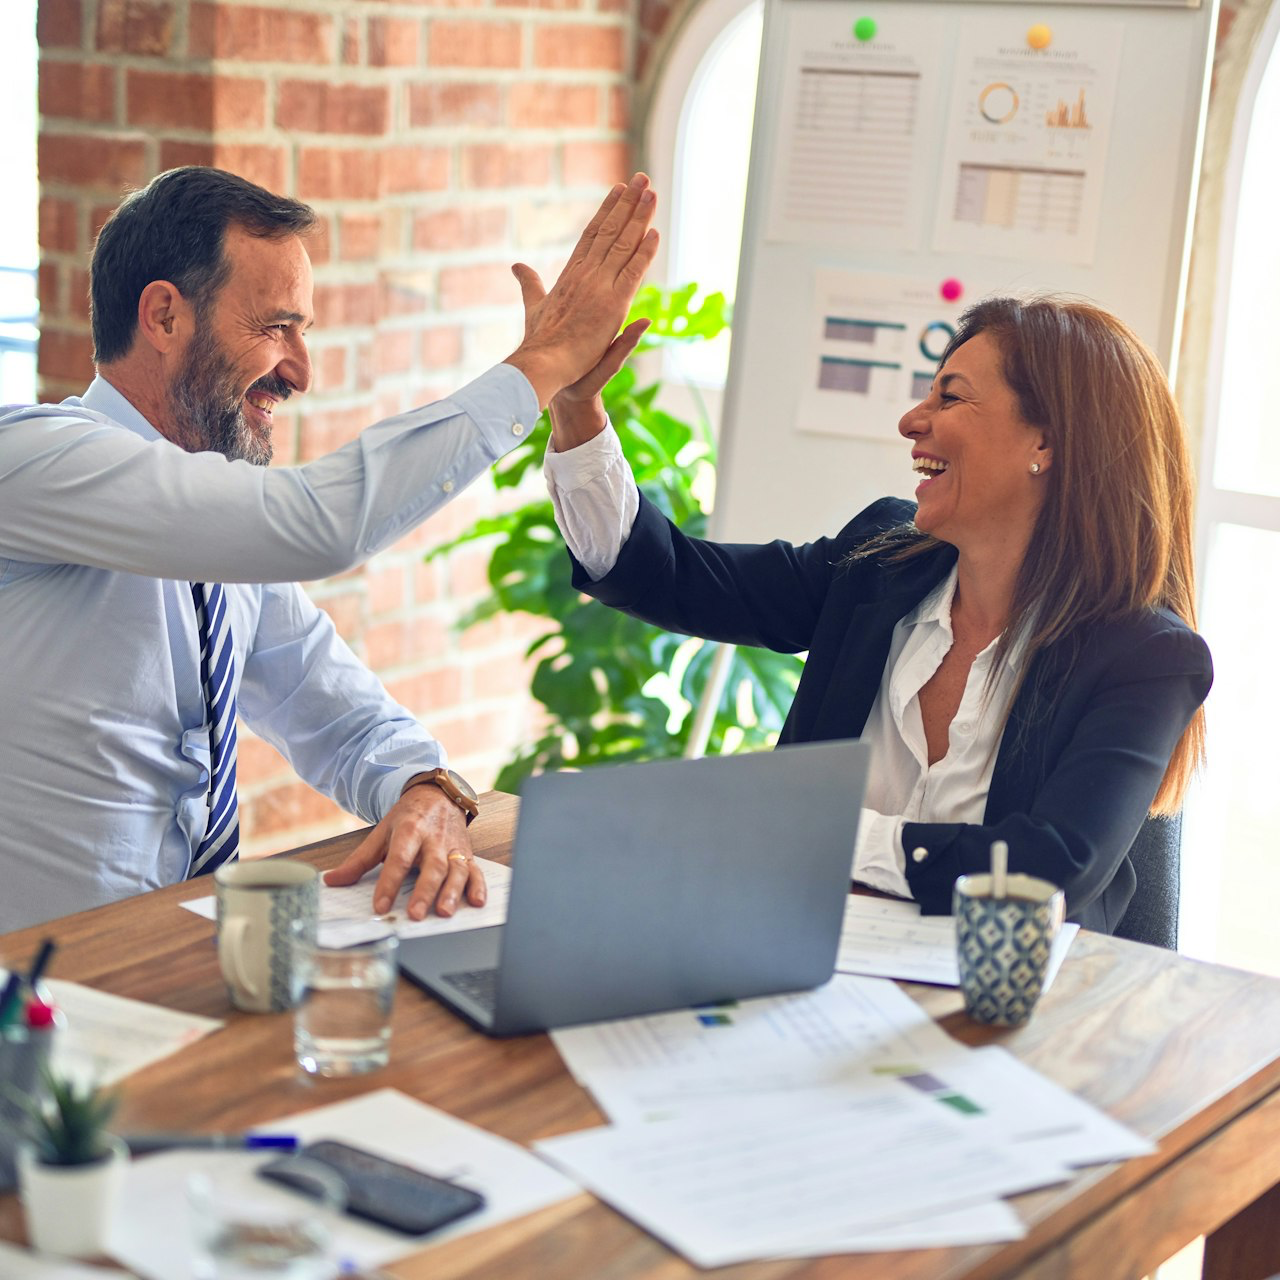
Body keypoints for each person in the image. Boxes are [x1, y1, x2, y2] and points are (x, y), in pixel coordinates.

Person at [0, 165, 658, 933]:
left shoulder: (221, 532)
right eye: (276, 326)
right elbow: (319, 522)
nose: (301, 371)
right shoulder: (34, 461)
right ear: (164, 316)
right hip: (39, 998)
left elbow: (343, 717)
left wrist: (423, 786)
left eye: (302, 331)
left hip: (180, 963)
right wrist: (541, 365)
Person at [542, 295, 1212, 933]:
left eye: (950, 396)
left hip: (1011, 1018)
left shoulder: (1146, 657)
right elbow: (672, 577)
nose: (912, 421)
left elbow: (1044, 874)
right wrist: (577, 409)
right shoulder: (878, 564)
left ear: (1047, 443)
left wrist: (818, 830)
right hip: (801, 964)